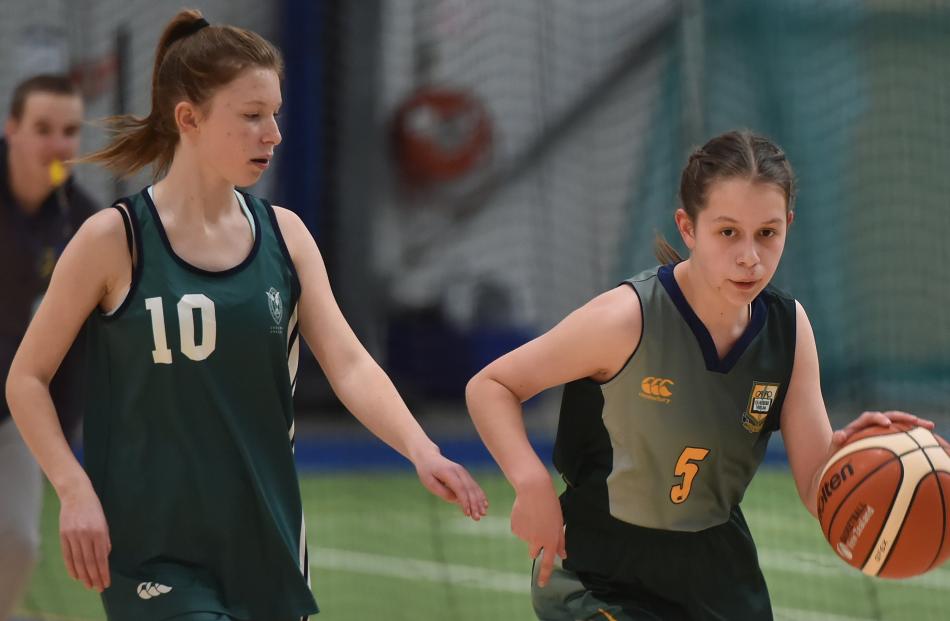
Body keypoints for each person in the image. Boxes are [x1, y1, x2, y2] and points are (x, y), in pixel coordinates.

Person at [5, 10, 487, 621]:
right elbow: (26, 378)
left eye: (276, 114)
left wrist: (423, 449)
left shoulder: (286, 237)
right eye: (252, 115)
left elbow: (349, 364)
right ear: (190, 118)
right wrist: (72, 489)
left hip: (266, 536)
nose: (274, 133)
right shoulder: (114, 238)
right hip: (153, 546)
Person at [464, 129, 934, 620]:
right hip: (600, 570)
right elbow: (491, 386)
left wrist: (860, 459)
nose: (749, 256)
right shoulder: (627, 319)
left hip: (718, 576)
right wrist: (531, 484)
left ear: (788, 225)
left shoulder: (789, 329)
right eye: (727, 232)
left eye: (767, 233)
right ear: (688, 229)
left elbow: (818, 489)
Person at [0, 73, 96, 620]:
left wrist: (61, 434)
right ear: (12, 130)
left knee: (18, 542)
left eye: (69, 131)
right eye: (42, 129)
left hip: (10, 410)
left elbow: (81, 340)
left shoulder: (82, 224)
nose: (57, 145)